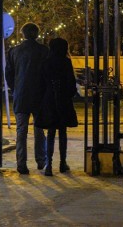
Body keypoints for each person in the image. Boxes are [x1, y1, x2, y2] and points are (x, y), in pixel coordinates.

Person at [5, 22, 49, 174]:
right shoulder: (43, 51)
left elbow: (9, 74)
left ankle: (21, 164)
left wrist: (15, 87)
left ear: (22, 34)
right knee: (39, 130)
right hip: (39, 95)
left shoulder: (14, 51)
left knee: (21, 131)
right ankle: (41, 160)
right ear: (36, 34)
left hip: (21, 95)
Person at [36, 37, 78, 176]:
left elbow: (40, 84)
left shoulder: (45, 62)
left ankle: (49, 164)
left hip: (49, 100)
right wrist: (68, 95)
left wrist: (44, 98)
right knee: (63, 133)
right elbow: (71, 83)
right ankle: (62, 162)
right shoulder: (66, 62)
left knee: (51, 133)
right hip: (63, 99)